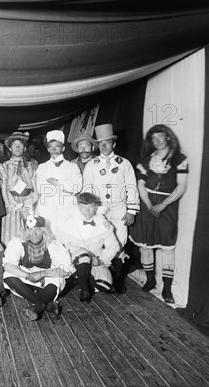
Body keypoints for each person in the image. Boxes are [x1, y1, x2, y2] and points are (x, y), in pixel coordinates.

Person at [130, 125, 188, 304]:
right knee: (146, 244)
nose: (157, 141)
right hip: (147, 205)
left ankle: (168, 288)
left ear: (168, 137)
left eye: (160, 137)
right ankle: (150, 280)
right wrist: (148, 204)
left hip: (167, 207)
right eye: (153, 138)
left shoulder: (179, 159)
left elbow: (181, 187)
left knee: (166, 246)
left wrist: (162, 205)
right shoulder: (147, 160)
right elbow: (140, 184)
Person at [82, 124, 139, 293]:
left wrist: (132, 210)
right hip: (100, 209)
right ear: (97, 146)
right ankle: (100, 276)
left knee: (120, 242)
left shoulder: (124, 163)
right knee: (99, 241)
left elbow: (131, 186)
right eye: (101, 143)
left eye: (107, 142)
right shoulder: (92, 164)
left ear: (113, 144)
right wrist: (90, 210)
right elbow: (87, 187)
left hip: (119, 209)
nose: (104, 146)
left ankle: (118, 280)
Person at [3, 215, 73, 320]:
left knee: (58, 278)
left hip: (47, 278)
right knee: (8, 275)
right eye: (31, 230)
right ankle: (45, 304)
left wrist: (42, 274)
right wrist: (29, 276)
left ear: (44, 231)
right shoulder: (17, 242)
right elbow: (8, 265)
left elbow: (66, 270)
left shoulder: (53, 244)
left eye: (38, 230)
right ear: (26, 231)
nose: (34, 233)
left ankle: (39, 306)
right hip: (28, 279)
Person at [57, 193, 120, 303]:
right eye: (83, 207)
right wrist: (69, 259)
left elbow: (113, 246)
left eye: (90, 207)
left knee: (105, 285)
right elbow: (60, 245)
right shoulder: (68, 223)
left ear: (96, 207)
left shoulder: (103, 224)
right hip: (74, 260)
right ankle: (85, 289)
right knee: (84, 254)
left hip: (95, 262)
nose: (87, 211)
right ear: (78, 207)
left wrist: (100, 260)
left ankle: (80, 279)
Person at [33, 130, 82, 237]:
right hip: (47, 207)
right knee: (47, 238)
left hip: (68, 207)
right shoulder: (42, 167)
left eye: (57, 146)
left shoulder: (73, 167)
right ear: (48, 149)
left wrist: (56, 182)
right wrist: (65, 188)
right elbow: (42, 188)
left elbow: (77, 187)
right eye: (51, 146)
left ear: (63, 148)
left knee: (68, 237)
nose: (54, 149)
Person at [0, 131, 39, 246]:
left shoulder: (32, 166)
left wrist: (30, 204)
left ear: (25, 148)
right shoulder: (4, 166)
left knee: (29, 235)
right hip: (12, 205)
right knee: (13, 237)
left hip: (29, 204)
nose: (17, 147)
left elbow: (35, 187)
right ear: (10, 149)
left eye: (20, 145)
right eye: (14, 145)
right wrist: (17, 207)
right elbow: (5, 189)